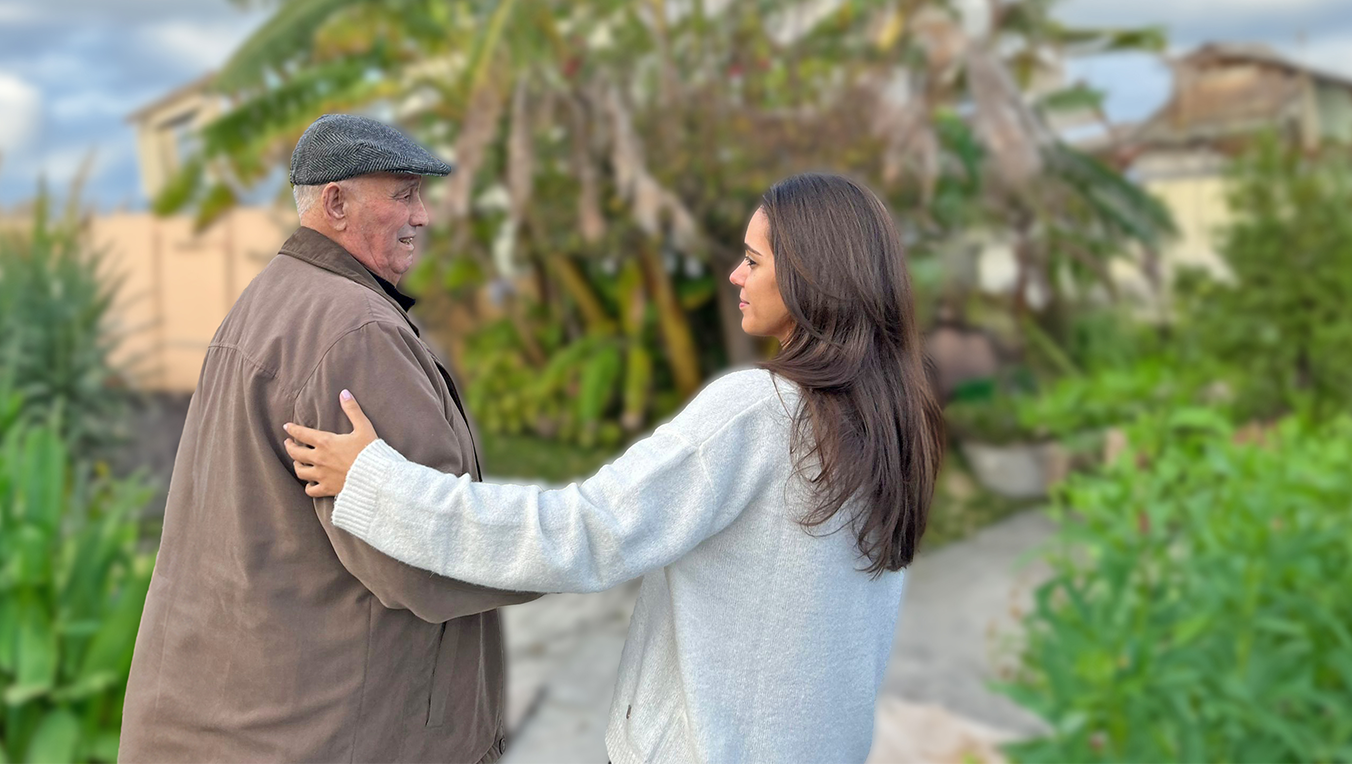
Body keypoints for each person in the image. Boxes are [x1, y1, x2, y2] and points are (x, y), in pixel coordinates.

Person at [283, 172, 946, 764]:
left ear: (812, 276)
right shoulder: (889, 420)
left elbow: (583, 532)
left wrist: (377, 482)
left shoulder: (759, 412)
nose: (736, 277)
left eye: (752, 260)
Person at [119, 115, 537, 764]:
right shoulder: (354, 330)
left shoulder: (271, 298)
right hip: (326, 734)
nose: (422, 216)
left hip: (228, 725)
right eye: (403, 194)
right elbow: (421, 559)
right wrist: (580, 546)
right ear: (335, 202)